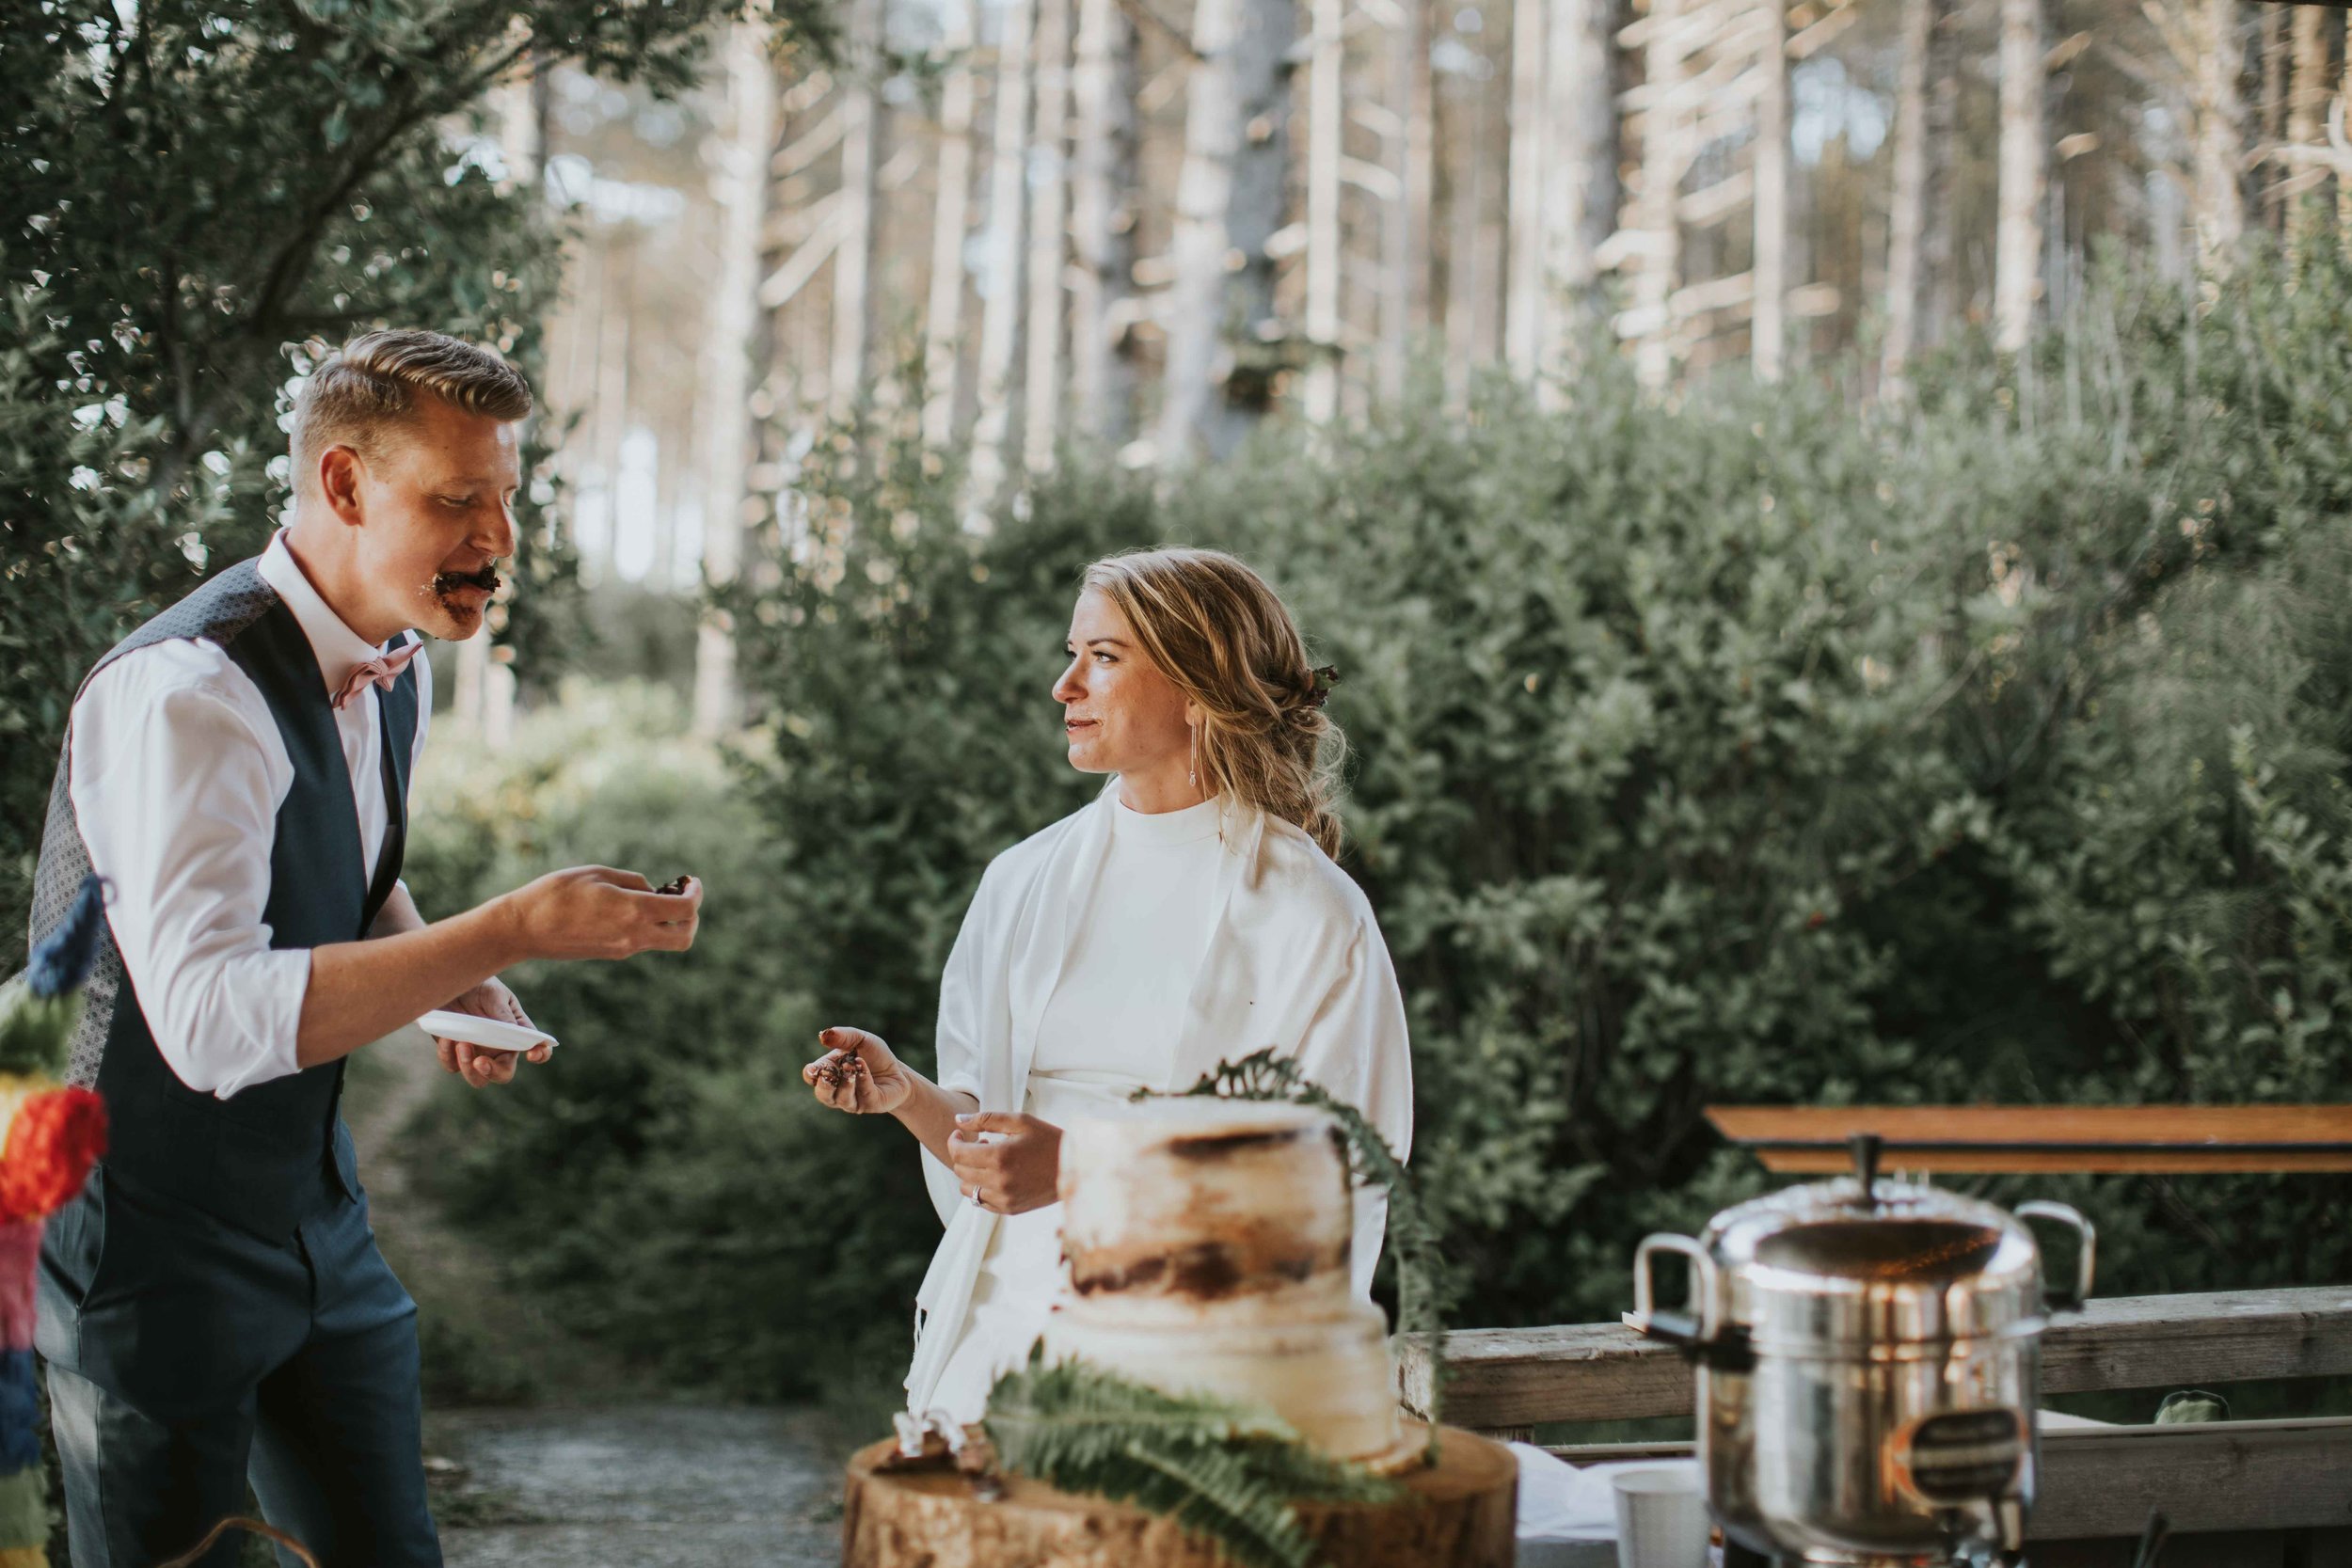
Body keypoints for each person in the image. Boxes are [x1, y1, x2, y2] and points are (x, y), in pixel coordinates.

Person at [27, 329, 704, 1568]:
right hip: (142, 1237)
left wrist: (460, 980)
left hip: (316, 1209)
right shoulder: (188, 693)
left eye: (506, 496)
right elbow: (210, 1020)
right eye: (457, 499)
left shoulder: (395, 664)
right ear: (343, 485)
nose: (498, 537)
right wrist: (507, 926)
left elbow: (359, 877)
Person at [803, 546, 1413, 1423]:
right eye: (1071, 652)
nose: (1065, 686)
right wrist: (909, 1096)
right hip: (998, 1354)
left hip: (1199, 1374)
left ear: (1201, 688)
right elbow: (988, 1153)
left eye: (1104, 656)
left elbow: (1333, 1179)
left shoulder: (1311, 914)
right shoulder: (1021, 881)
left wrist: (1088, 1171)